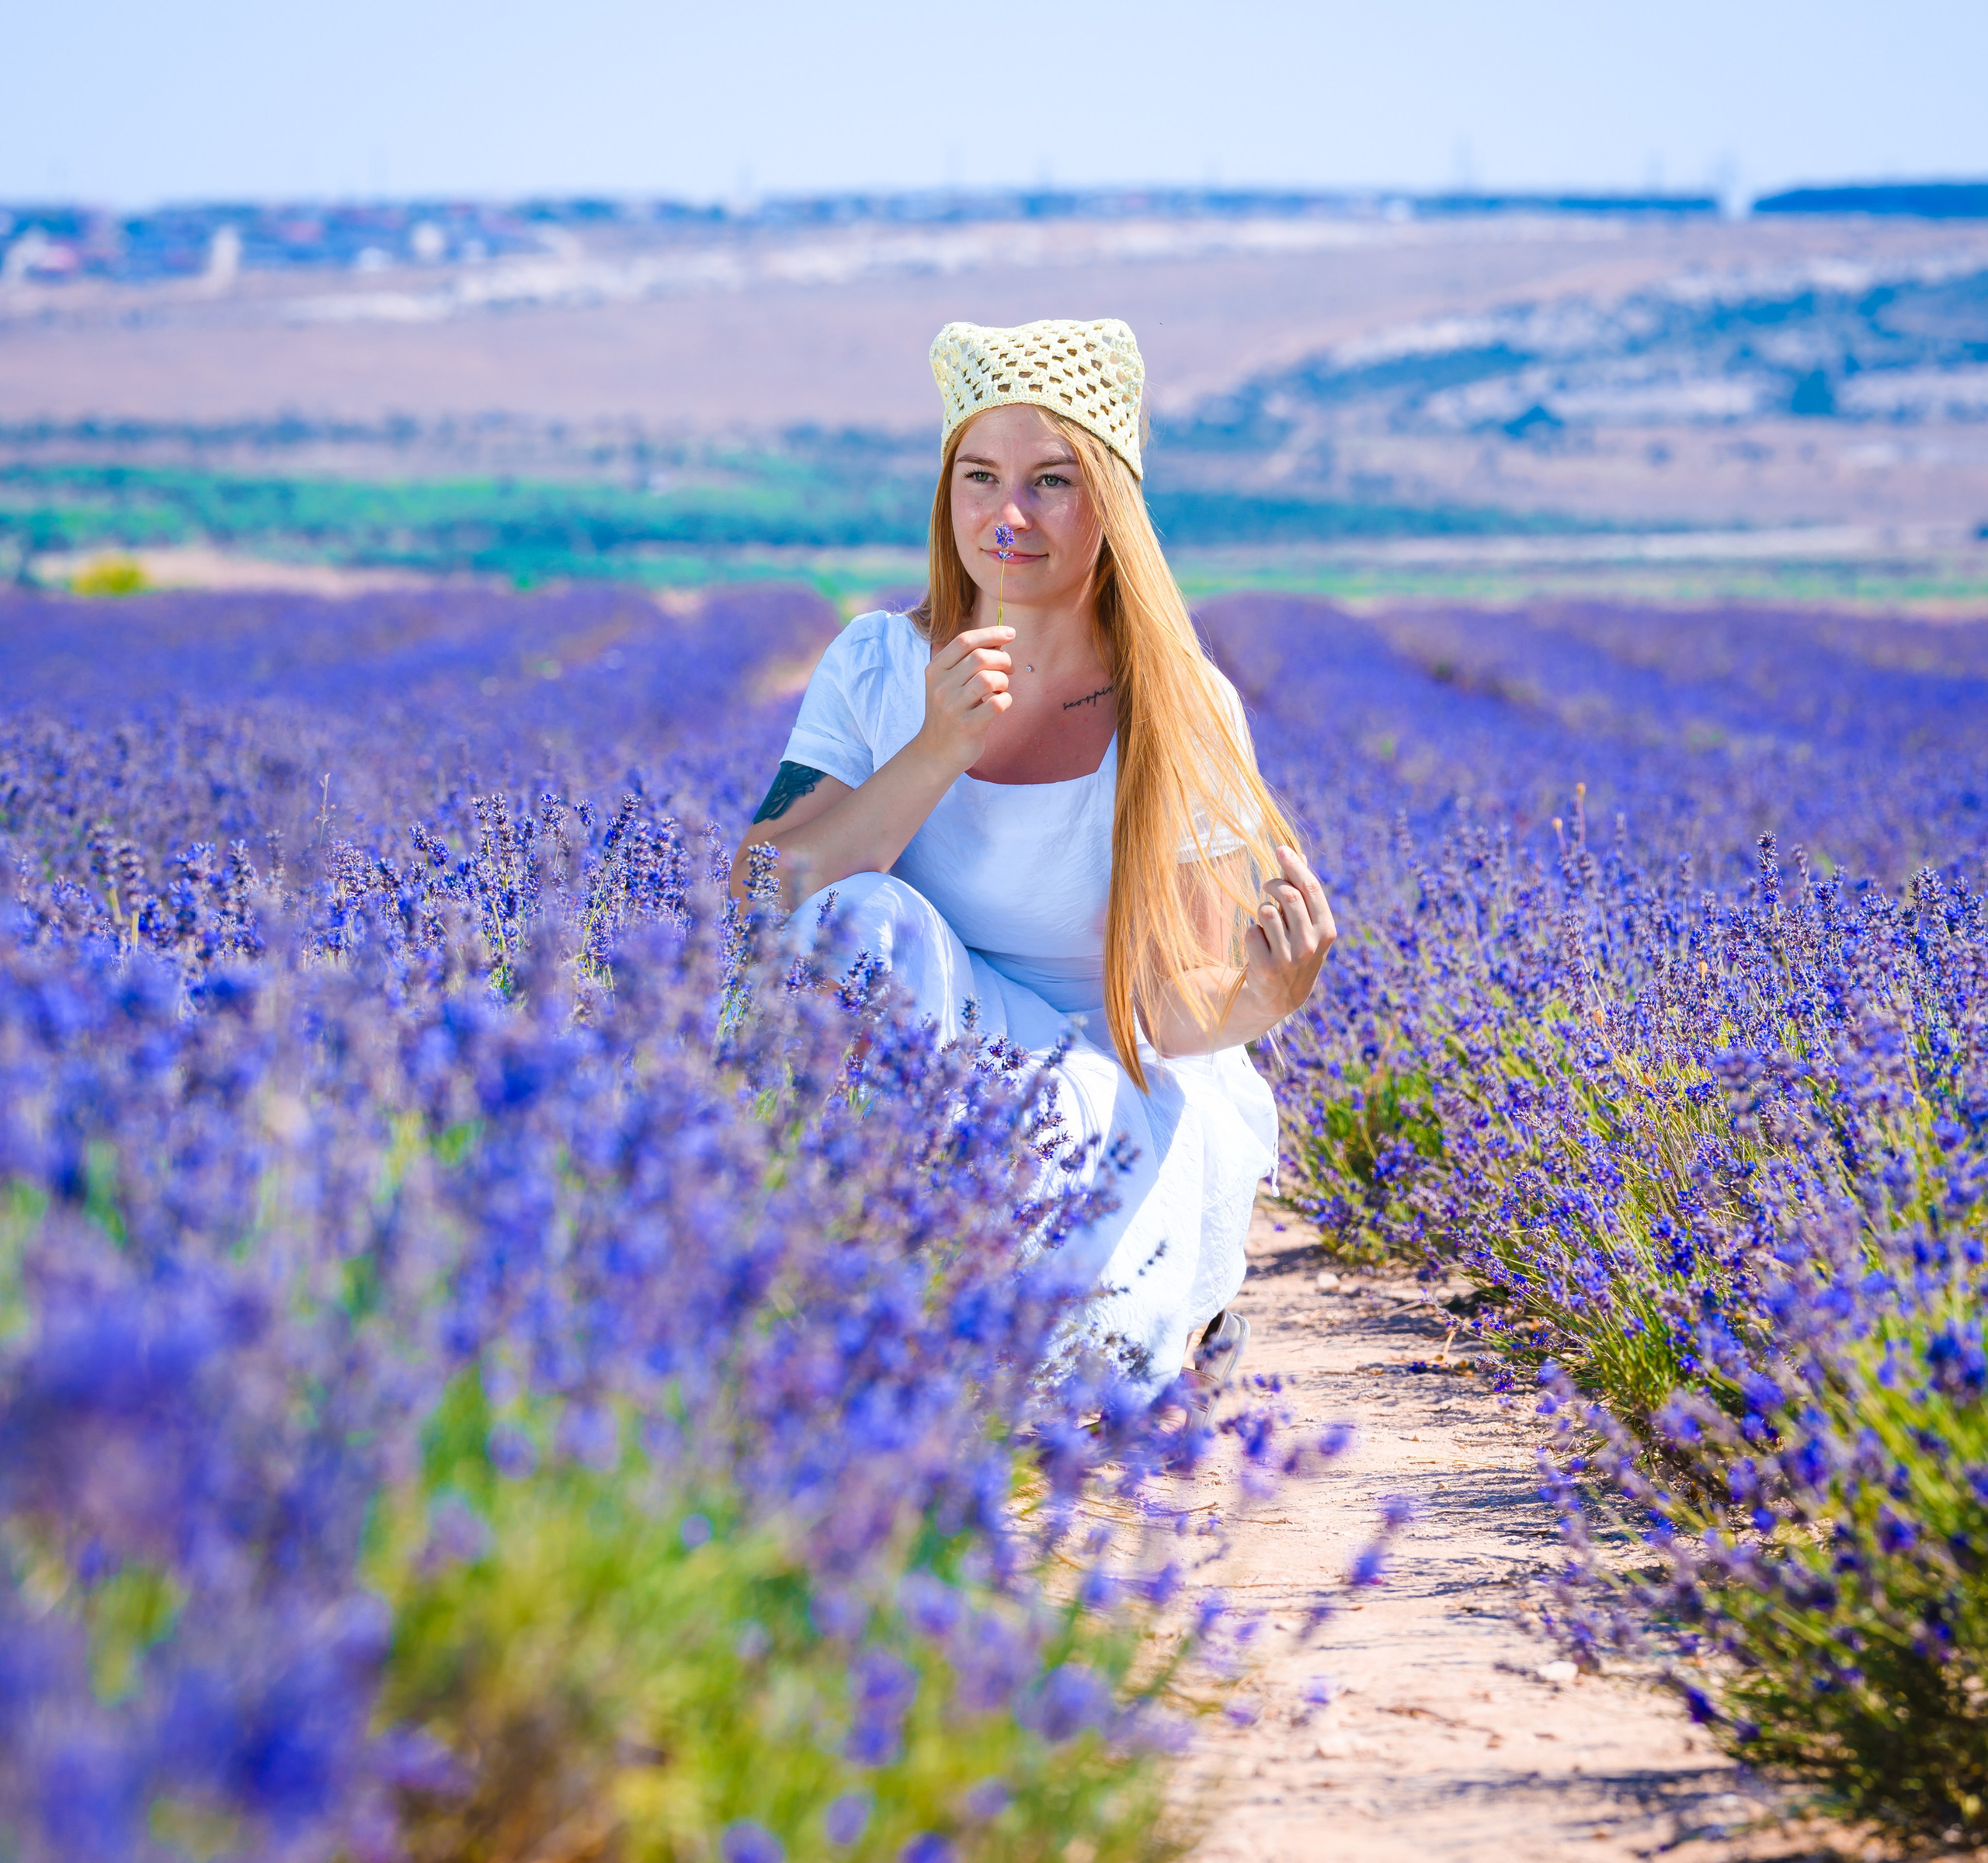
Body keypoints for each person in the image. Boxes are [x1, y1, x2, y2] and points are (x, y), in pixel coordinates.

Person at [731, 317, 1334, 1406]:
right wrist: (937, 751)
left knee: (1062, 1382)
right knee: (862, 921)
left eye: (1051, 481)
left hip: (1104, 1081)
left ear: (1113, 502)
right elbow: (765, 897)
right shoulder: (876, 664)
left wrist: (1271, 990)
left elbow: (1174, 1010)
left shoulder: (1182, 712)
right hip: (918, 1076)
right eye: (980, 476)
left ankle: (1148, 1306)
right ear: (945, 492)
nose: (1007, 517)